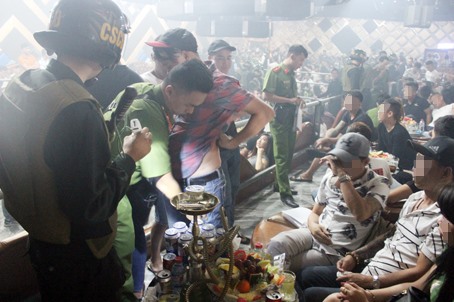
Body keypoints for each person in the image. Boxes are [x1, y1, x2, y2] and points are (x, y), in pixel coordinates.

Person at [0, 1, 152, 301]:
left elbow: (42, 153)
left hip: (42, 242)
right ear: (109, 46)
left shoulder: (21, 85)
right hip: (79, 256)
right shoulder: (77, 107)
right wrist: (130, 156)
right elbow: (92, 208)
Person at [105, 59, 213, 299]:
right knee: (127, 247)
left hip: (119, 179)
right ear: (170, 90)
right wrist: (191, 206)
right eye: (189, 104)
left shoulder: (142, 89)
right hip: (118, 191)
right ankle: (133, 293)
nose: (191, 111)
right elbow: (162, 178)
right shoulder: (148, 113)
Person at [298, 136, 454, 302]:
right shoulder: (415, 198)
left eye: (425, 162)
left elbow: (419, 274)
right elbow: (392, 233)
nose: (416, 166)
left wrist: (372, 284)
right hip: (371, 266)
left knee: (311, 293)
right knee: (305, 275)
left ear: (446, 173)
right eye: (417, 159)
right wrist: (356, 256)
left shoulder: (445, 219)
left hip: (386, 285)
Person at [148, 28, 274, 230]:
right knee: (179, 244)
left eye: (169, 63)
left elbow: (265, 113)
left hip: (203, 181)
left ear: (186, 56)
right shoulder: (174, 81)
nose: (165, 70)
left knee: (210, 247)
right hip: (171, 176)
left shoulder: (221, 84)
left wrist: (234, 142)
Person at [267, 133, 389, 272]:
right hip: (312, 234)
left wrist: (343, 177)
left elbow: (361, 213)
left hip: (335, 250)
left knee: (285, 266)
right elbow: (316, 212)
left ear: (365, 162)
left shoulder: (379, 183)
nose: (339, 165)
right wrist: (313, 225)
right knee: (275, 247)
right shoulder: (329, 175)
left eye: (347, 161)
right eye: (338, 158)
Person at [324, 182, 454, 302]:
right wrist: (368, 295)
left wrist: (368, 293)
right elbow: (417, 286)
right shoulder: (447, 256)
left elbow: (417, 275)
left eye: (446, 218)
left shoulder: (437, 230)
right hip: (375, 274)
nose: (439, 221)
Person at [206, 39, 249, 243]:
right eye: (220, 58)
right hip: (216, 148)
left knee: (233, 189)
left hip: (230, 143)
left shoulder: (230, 81)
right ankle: (224, 240)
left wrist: (230, 117)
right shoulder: (206, 81)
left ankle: (229, 232)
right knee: (223, 195)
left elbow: (242, 109)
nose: (225, 62)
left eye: (228, 58)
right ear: (210, 58)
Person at [291, 90, 375, 183]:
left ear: (359, 103)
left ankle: (310, 173)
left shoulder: (362, 118)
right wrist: (325, 139)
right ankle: (309, 173)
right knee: (323, 147)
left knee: (328, 151)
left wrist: (327, 140)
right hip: (348, 145)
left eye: (351, 101)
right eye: (346, 100)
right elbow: (336, 129)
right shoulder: (348, 114)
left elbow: (349, 140)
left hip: (357, 150)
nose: (347, 103)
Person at [263, 44, 308, 208]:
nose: (301, 63)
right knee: (282, 155)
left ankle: (279, 183)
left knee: (288, 153)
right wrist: (290, 100)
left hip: (291, 117)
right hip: (280, 118)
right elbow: (267, 95)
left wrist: (296, 99)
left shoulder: (291, 75)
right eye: (300, 59)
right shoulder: (275, 72)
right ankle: (285, 192)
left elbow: (290, 95)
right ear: (292, 55)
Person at [377, 98, 416, 184]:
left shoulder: (399, 133)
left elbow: (396, 158)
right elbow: (380, 150)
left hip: (405, 168)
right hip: (390, 164)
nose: (378, 112)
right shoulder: (381, 127)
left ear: (390, 114)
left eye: (380, 110)